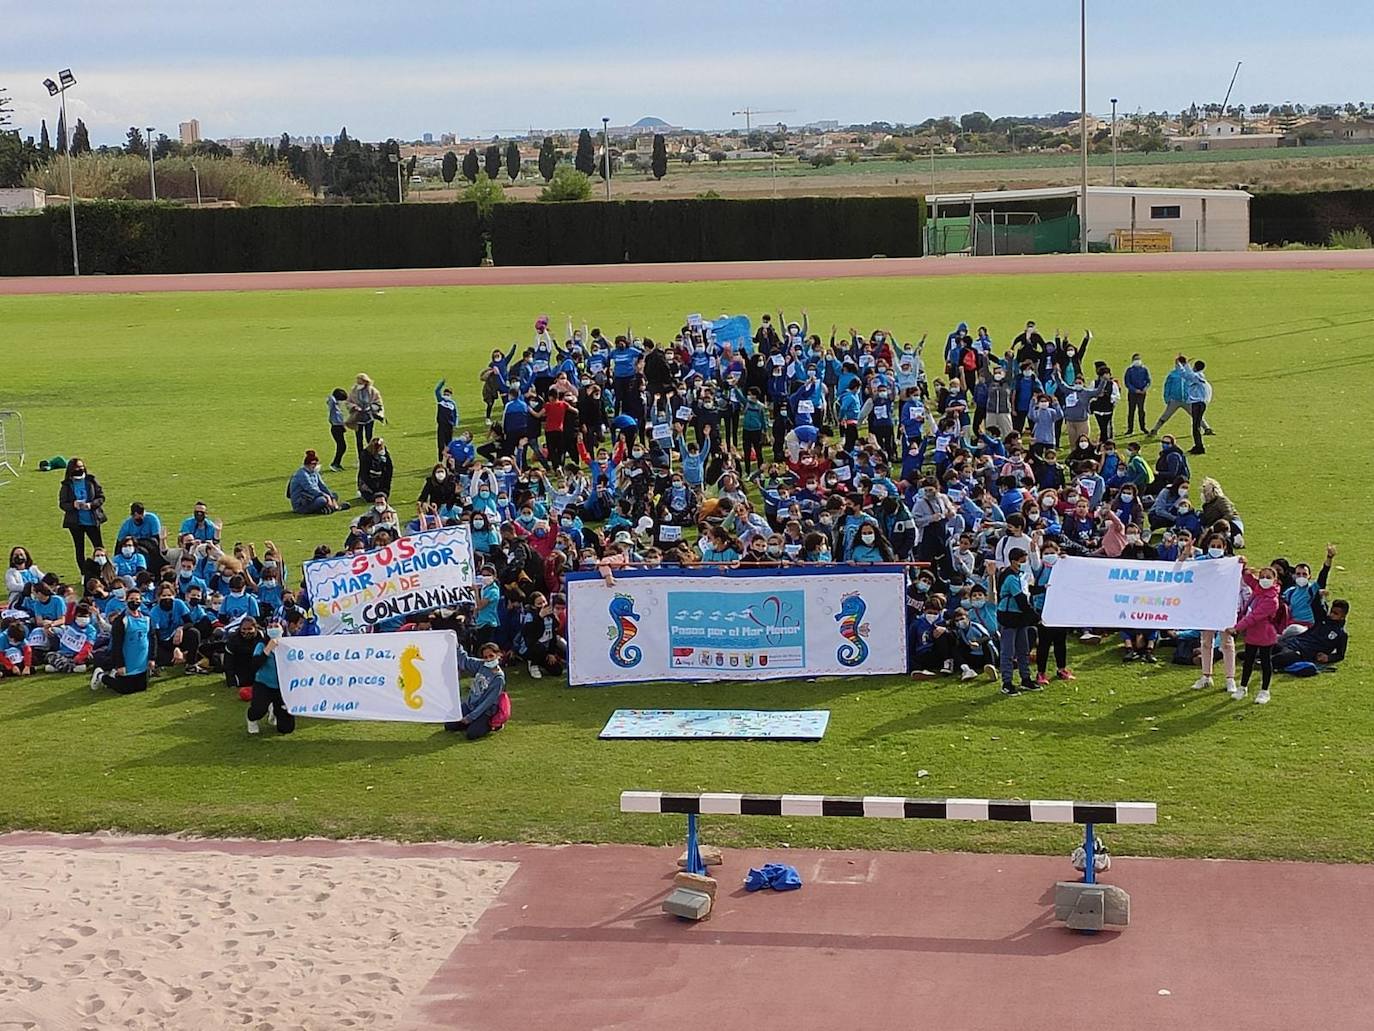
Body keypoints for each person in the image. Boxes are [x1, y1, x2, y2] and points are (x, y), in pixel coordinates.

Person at [1233, 560, 1282, 704]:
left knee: (1266, 662)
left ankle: (1264, 691)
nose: (1264, 580)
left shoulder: (1272, 600)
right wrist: (1244, 566)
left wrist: (1237, 628)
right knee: (1248, 661)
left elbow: (1254, 617)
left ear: (1275, 580)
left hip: (1265, 634)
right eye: (1262, 576)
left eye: (1268, 577)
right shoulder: (1258, 589)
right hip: (1252, 634)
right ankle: (1243, 687)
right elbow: (1248, 578)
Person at [245, 611, 302, 735]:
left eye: (276, 626)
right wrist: (267, 649)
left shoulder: (291, 644)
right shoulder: (261, 645)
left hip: (282, 686)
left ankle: (275, 710)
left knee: (286, 728)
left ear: (283, 628)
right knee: (258, 710)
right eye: (270, 627)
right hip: (264, 683)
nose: (273, 629)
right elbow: (255, 665)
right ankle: (251, 719)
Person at [90, 588, 153, 695]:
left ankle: (114, 675)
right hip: (127, 660)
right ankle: (101, 676)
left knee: (141, 688)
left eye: (137, 599)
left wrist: (152, 658)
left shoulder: (147, 618)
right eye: (132, 599)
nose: (135, 601)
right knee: (125, 690)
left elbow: (152, 638)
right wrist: (120, 664)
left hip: (141, 661)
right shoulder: (121, 621)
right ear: (126, 601)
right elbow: (117, 645)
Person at [444, 641, 510, 740]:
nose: (488, 659)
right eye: (485, 657)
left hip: (485, 710)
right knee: (449, 725)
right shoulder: (481, 665)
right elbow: (465, 661)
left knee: (472, 734)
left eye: (491, 656)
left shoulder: (498, 678)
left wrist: (471, 717)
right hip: (471, 705)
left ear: (498, 655)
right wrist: (457, 646)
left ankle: (493, 725)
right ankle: (471, 723)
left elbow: (488, 702)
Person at [995, 547, 1038, 695]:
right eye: (1022, 561)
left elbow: (1028, 592)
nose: (1025, 564)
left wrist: (1044, 588)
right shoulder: (1010, 578)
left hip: (1020, 618)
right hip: (1009, 617)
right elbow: (1021, 600)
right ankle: (1007, 683)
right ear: (1014, 561)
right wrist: (1036, 616)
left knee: (1023, 650)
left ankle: (1025, 679)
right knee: (1008, 651)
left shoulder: (1020, 576)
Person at [58, 457, 107, 571]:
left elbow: (101, 497)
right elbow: (63, 504)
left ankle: (104, 570)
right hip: (76, 523)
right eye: (77, 467)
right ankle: (84, 573)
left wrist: (91, 505)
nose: (80, 469)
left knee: (99, 546)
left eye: (81, 467)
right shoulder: (67, 485)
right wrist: (73, 505)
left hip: (92, 520)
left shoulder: (91, 480)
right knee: (79, 549)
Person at [1273, 599, 1348, 669]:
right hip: (1293, 642)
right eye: (1331, 611)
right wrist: (1320, 596)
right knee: (1268, 646)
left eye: (1335, 613)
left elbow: (1340, 655)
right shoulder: (1322, 619)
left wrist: (1328, 658)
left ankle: (1266, 663)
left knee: (1282, 657)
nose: (1331, 614)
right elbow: (1315, 604)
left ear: (1342, 616)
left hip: (1303, 653)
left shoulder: (1341, 634)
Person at [288, 450, 348, 514]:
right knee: (322, 500)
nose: (315, 466)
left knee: (334, 495)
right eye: (313, 464)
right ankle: (332, 507)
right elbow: (310, 489)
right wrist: (326, 496)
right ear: (308, 464)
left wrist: (331, 497)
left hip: (312, 497)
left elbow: (322, 485)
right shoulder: (302, 474)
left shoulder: (314, 472)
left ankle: (328, 507)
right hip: (303, 503)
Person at [347, 373, 383, 453]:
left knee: (369, 437)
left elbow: (378, 403)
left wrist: (370, 408)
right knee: (359, 439)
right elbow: (348, 402)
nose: (358, 384)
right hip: (357, 417)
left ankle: (371, 455)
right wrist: (354, 407)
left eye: (360, 382)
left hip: (369, 417)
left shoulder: (373, 391)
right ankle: (360, 458)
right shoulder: (354, 390)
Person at [1122, 353, 1151, 434]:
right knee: (1131, 411)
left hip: (1142, 393)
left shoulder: (1144, 369)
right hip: (1132, 394)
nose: (1137, 361)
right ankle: (1130, 429)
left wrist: (1145, 388)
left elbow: (1148, 380)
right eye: (1136, 359)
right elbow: (1127, 382)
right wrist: (1135, 390)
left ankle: (1143, 427)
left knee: (1141, 410)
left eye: (1138, 359)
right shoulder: (1129, 370)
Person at [327, 387, 349, 471]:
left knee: (342, 446)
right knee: (342, 446)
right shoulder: (333, 404)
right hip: (336, 428)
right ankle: (335, 463)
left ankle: (337, 463)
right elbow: (330, 399)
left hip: (339, 427)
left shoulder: (336, 406)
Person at [435, 379, 458, 460]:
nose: (446, 395)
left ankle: (449, 461)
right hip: (441, 425)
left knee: (449, 445)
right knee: (440, 444)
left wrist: (455, 424)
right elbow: (437, 391)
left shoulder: (453, 403)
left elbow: (455, 415)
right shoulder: (440, 400)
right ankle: (440, 460)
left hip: (450, 426)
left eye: (448, 394)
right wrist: (442, 383)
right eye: (445, 393)